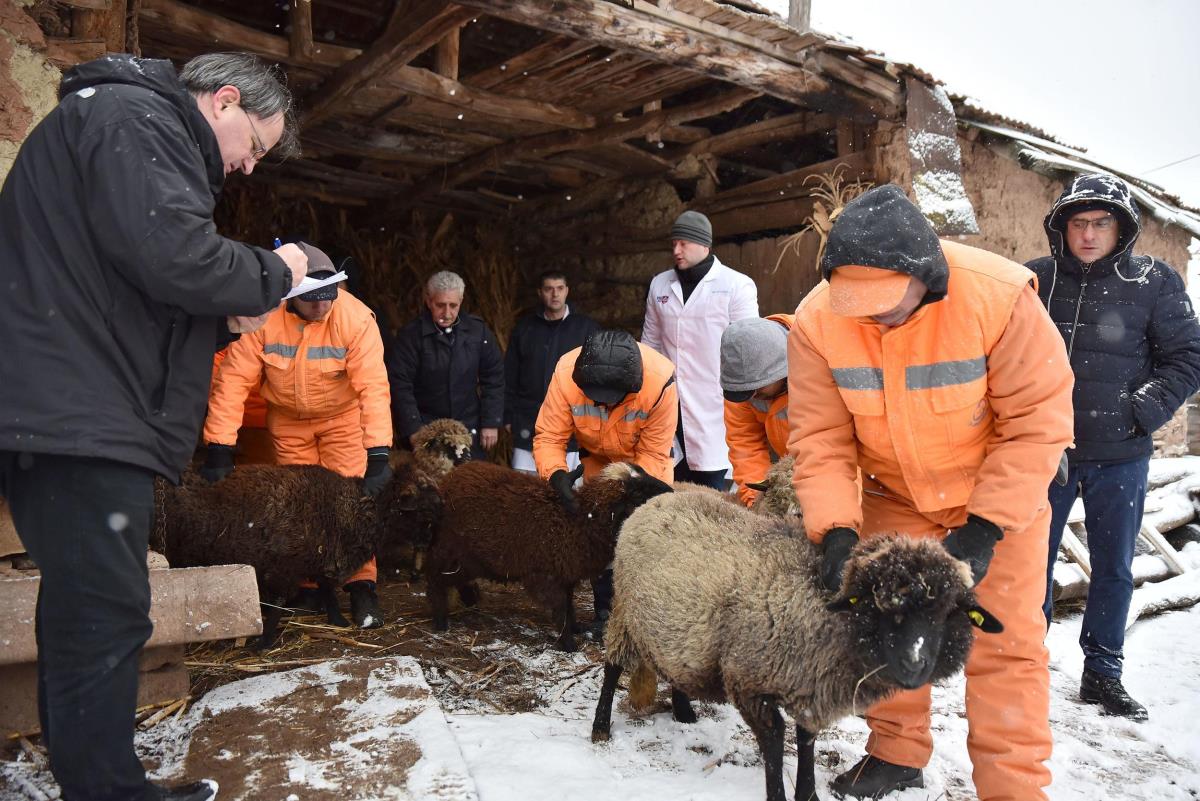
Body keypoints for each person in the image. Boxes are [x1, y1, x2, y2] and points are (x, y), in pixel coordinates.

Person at [0, 52, 306, 801]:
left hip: (78, 403)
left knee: (94, 608)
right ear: (224, 102)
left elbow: (135, 292)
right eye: (255, 147)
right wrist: (279, 274)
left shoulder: (127, 123)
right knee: (102, 612)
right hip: (75, 410)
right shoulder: (135, 118)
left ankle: (105, 782)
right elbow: (170, 252)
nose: (248, 169)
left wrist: (222, 317)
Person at [787, 185, 1074, 801]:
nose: (872, 319)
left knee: (1006, 644)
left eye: (887, 305)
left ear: (926, 276)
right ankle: (895, 752)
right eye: (858, 305)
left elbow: (1038, 420)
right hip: (892, 495)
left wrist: (987, 526)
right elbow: (821, 435)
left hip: (996, 497)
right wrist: (836, 527)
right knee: (887, 627)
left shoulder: (997, 299)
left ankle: (1013, 786)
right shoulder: (816, 322)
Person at [1027, 173, 1200, 722]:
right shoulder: (1037, 279)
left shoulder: (1154, 281)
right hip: (1044, 452)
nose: (1088, 234)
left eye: (1101, 223)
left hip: (1120, 453)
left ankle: (1103, 673)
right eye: (1078, 223)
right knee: (1030, 563)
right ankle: (1021, 665)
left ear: (1121, 228)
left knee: (1113, 567)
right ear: (1063, 228)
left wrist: (1140, 411)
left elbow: (1188, 357)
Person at [202, 242, 393, 628]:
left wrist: (379, 454)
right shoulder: (263, 318)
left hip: (342, 419)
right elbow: (232, 381)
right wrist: (219, 446)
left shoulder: (355, 319)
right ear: (291, 296)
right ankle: (308, 585)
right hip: (288, 422)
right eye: (312, 301)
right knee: (299, 506)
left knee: (352, 501)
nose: (322, 307)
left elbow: (374, 387)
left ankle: (361, 585)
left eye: (328, 298)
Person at [533, 329, 678, 636]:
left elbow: (653, 450)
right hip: (597, 459)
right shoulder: (565, 374)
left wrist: (628, 493)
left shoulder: (660, 380)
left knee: (643, 537)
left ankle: (647, 615)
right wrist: (555, 473)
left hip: (645, 468)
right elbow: (549, 436)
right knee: (599, 532)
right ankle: (604, 612)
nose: (604, 405)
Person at [642, 211, 758, 489]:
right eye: (673, 244)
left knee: (711, 488)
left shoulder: (735, 285)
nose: (676, 250)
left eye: (683, 243)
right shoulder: (660, 284)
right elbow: (650, 344)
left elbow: (750, 347)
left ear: (704, 244)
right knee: (669, 486)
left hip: (715, 404)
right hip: (670, 404)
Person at [387, 271, 504, 459]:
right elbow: (400, 384)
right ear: (428, 301)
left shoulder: (477, 331)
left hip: (469, 426)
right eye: (440, 305)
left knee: (471, 483)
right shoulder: (411, 336)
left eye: (453, 305)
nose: (447, 313)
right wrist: (414, 428)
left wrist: (491, 422)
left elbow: (494, 377)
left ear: (461, 300)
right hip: (428, 426)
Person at [505, 270, 600, 473]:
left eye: (559, 289)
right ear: (540, 292)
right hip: (529, 419)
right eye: (549, 289)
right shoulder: (525, 329)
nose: (554, 294)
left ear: (567, 291)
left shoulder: (586, 329)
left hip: (573, 422)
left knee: (570, 488)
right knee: (527, 489)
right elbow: (510, 376)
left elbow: (597, 376)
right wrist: (507, 415)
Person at [718, 314, 793, 507]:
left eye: (757, 389)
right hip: (784, 464)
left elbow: (839, 450)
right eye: (745, 392)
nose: (752, 397)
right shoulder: (741, 384)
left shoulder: (820, 366)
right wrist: (757, 501)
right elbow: (745, 443)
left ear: (782, 369)